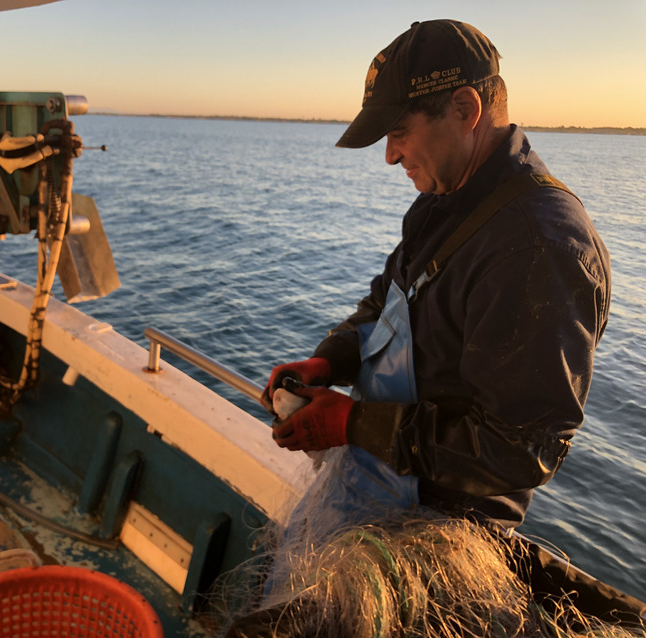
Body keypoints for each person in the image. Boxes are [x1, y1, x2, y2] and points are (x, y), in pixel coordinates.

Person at [261, 19, 611, 532]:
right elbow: (387, 303)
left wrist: (352, 422)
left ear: (466, 110)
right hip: (368, 488)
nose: (389, 155)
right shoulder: (441, 201)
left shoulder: (539, 248)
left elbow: (519, 449)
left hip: (438, 534)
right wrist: (328, 360)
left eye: (398, 132)